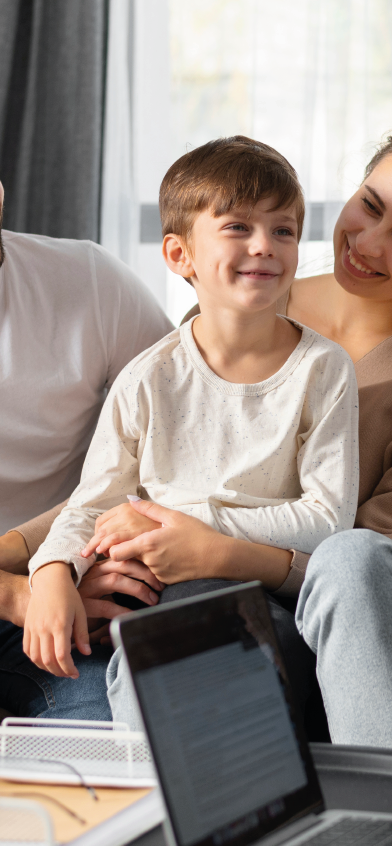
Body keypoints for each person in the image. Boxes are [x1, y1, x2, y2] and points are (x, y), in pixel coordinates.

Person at [95, 120, 392, 752]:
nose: (368, 243)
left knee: (353, 561)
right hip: (256, 600)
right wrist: (50, 557)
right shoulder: (247, 300)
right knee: (175, 629)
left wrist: (216, 549)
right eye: (369, 207)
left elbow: (386, 566)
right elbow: (125, 476)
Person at [22, 137, 360, 706]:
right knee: (138, 668)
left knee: (228, 656)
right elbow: (94, 503)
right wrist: (53, 570)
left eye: (283, 230)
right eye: (237, 228)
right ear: (180, 255)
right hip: (156, 588)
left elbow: (327, 523)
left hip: (268, 591)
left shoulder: (324, 369)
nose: (265, 246)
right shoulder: (147, 378)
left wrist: (183, 524)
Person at [0, 178, 173, 718]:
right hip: (31, 594)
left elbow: (177, 439)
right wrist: (17, 595)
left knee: (112, 741)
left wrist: (73, 562)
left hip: (61, 605)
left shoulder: (90, 282)